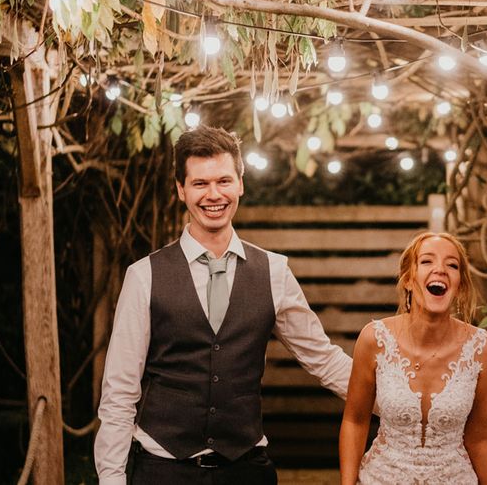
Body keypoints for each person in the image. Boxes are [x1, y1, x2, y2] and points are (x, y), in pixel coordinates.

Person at [95, 125, 352, 484]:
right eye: (200, 183)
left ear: (241, 184)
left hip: (246, 470)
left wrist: (397, 398)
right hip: (162, 470)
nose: (213, 194)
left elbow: (323, 359)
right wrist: (110, 478)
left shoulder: (274, 271)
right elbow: (120, 390)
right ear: (180, 190)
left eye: (224, 181)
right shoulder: (144, 275)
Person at [339, 232, 487, 484]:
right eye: (427, 261)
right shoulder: (374, 339)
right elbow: (355, 421)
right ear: (408, 279)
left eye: (452, 265)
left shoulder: (481, 347)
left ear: (459, 285)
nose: (440, 269)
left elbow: (480, 437)